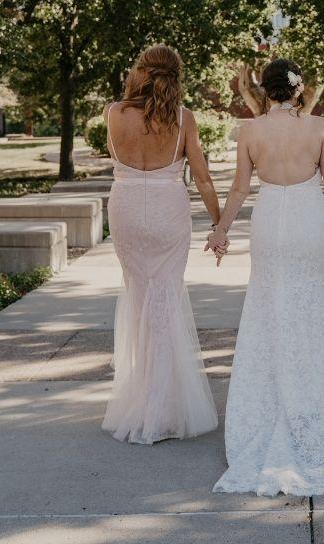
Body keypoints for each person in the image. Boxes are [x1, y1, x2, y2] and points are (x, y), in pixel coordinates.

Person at [205, 58, 324, 496]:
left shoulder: (250, 130)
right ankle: (309, 409)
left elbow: (239, 188)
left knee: (267, 312)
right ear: (298, 90)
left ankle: (266, 411)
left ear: (265, 91)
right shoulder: (318, 127)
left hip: (268, 225)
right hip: (307, 223)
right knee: (309, 312)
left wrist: (220, 230)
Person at [101, 45, 221, 445]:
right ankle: (163, 406)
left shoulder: (113, 113)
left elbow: (118, 159)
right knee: (166, 301)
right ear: (176, 75)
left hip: (126, 208)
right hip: (168, 210)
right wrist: (219, 222)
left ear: (139, 71)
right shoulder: (184, 118)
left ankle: (142, 399)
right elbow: (202, 178)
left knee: (139, 297)